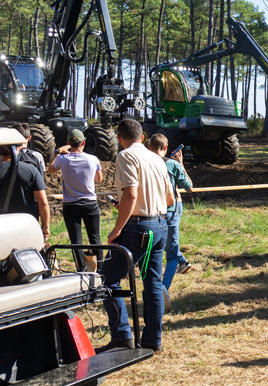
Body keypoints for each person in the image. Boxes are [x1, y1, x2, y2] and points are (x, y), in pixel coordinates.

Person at [99, 119, 175, 352]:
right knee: (152, 282)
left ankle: (122, 336)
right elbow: (170, 199)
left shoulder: (125, 157)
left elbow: (131, 196)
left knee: (107, 280)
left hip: (138, 226)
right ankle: (153, 341)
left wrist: (117, 229)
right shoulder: (157, 158)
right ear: (142, 137)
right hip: (161, 224)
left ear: (119, 139)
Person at [48, 128, 102, 272]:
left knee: (76, 241)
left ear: (68, 143)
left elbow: (50, 170)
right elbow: (99, 179)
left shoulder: (62, 159)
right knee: (95, 239)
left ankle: (81, 270)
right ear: (83, 142)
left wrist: (58, 152)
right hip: (90, 203)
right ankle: (102, 270)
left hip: (71, 204)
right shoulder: (93, 159)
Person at [149, 134, 193, 298]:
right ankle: (163, 287)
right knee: (171, 252)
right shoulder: (173, 164)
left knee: (156, 249)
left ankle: (181, 262)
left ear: (149, 147)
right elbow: (189, 187)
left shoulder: (145, 163)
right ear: (165, 147)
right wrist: (181, 165)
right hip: (171, 209)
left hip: (151, 212)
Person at [0, 130, 49, 243]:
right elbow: (43, 202)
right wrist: (45, 227)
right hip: (26, 225)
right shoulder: (31, 170)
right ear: (18, 148)